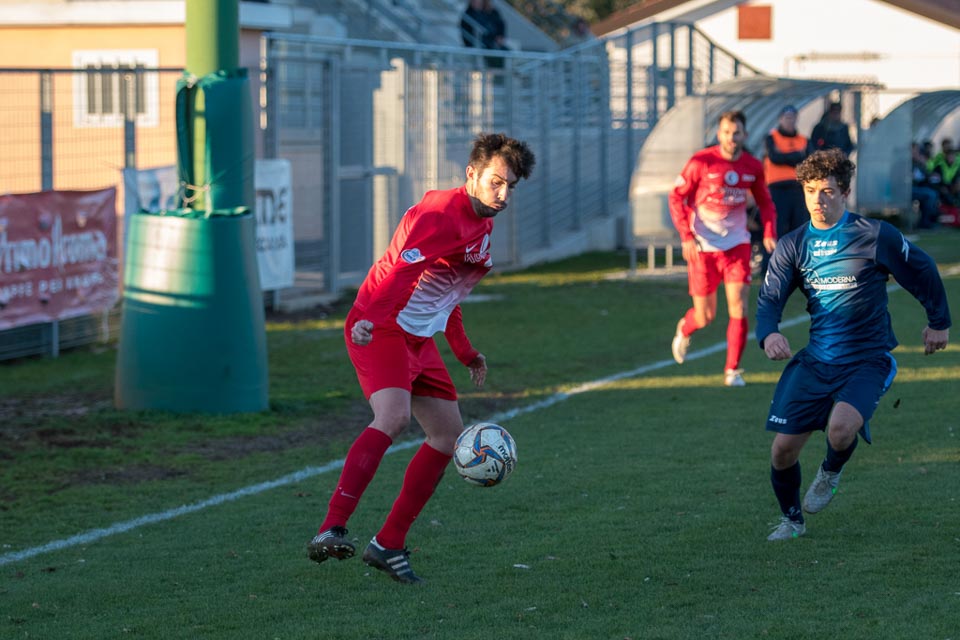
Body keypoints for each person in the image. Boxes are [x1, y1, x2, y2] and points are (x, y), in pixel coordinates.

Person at [306, 133, 535, 583]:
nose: (503, 195)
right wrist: (370, 319)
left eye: (510, 186)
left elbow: (448, 296)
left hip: (417, 338)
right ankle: (331, 528)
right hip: (382, 327)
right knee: (392, 418)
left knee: (448, 436)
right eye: (496, 182)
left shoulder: (481, 225)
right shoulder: (440, 214)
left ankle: (388, 544)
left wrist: (466, 352)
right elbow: (400, 272)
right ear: (471, 173)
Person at [757, 149, 951, 541]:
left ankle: (830, 471)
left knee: (841, 429)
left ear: (845, 192)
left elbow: (922, 269)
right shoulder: (793, 245)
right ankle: (792, 520)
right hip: (817, 361)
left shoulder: (874, 235)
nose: (818, 199)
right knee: (781, 451)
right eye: (811, 190)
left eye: (827, 191)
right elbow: (770, 298)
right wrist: (769, 333)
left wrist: (938, 323)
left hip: (867, 360)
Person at [668, 110, 778, 387]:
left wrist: (768, 231)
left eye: (736, 132)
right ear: (719, 134)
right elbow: (676, 197)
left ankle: (733, 370)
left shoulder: (752, 166)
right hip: (703, 247)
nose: (732, 137)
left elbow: (765, 202)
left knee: (739, 305)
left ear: (745, 135)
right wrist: (686, 236)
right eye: (727, 132)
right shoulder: (701, 162)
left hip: (737, 245)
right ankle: (686, 327)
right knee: (705, 316)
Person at [764, 105, 809, 238]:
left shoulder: (803, 140)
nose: (790, 121)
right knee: (778, 226)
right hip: (777, 189)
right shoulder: (771, 138)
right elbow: (775, 158)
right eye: (787, 117)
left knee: (799, 227)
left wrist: (784, 156)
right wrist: (798, 156)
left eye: (792, 117)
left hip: (798, 188)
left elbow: (808, 159)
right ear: (780, 119)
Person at [460, 0, 507, 68]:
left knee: (506, 51)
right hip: (481, 45)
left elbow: (500, 24)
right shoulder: (468, 14)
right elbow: (466, 33)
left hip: (491, 44)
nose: (477, 2)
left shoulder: (490, 12)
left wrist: (500, 36)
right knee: (497, 57)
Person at [910, 141, 940, 229]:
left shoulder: (918, 163)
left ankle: (928, 221)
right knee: (930, 194)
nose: (916, 152)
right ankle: (925, 222)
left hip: (917, 188)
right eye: (914, 150)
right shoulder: (903, 163)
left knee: (933, 193)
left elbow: (926, 175)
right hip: (905, 190)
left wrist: (923, 165)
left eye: (917, 150)